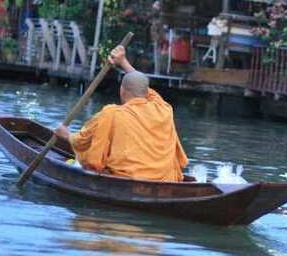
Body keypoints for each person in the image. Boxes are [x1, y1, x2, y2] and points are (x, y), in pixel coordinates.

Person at [54, 45, 188, 181]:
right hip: (165, 180)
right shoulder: (164, 109)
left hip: (128, 179)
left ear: (121, 90)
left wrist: (66, 135)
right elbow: (142, 85)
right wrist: (123, 62)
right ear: (145, 93)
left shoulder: (111, 113)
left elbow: (83, 141)